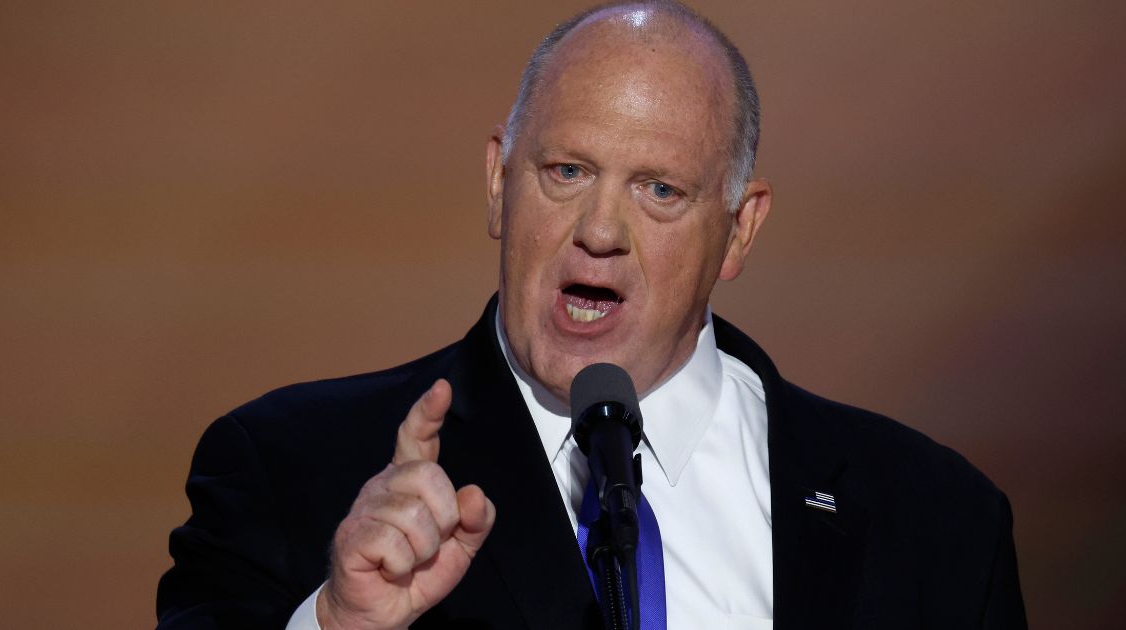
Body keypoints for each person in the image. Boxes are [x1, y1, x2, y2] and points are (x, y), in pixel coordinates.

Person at [157, 2, 1027, 629]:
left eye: (659, 190)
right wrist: (339, 625)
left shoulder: (938, 520)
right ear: (500, 183)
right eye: (567, 171)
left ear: (739, 230)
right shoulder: (292, 467)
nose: (600, 232)